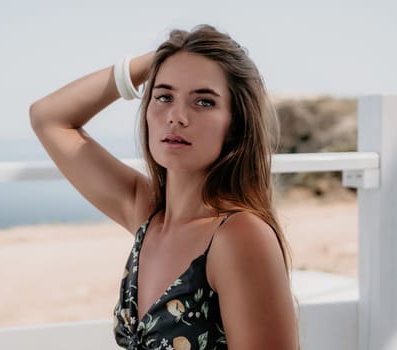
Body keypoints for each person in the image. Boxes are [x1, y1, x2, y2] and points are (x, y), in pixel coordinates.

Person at [30, 24, 298, 350]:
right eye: (164, 96)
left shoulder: (240, 236)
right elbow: (48, 118)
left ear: (234, 124)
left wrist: (176, 57)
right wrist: (161, 57)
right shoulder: (147, 214)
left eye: (203, 102)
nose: (176, 116)